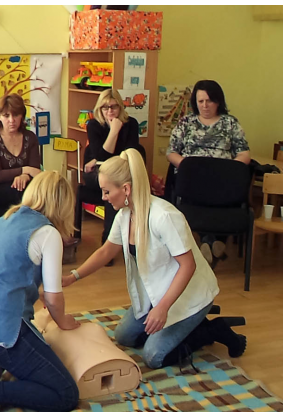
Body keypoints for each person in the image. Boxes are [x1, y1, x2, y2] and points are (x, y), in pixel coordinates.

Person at [62, 149, 247, 370]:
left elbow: (188, 266)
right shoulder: (124, 215)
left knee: (153, 356)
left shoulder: (164, 216)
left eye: (106, 191)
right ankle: (188, 327)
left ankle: (213, 329)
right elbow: (106, 251)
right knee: (124, 337)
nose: (103, 198)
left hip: (188, 295)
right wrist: (73, 277)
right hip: (156, 294)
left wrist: (162, 309)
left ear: (126, 189)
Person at [0, 171, 80, 412]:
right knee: (65, 394)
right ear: (63, 204)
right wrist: (63, 322)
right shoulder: (48, 233)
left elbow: (7, 276)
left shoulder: (1, 222)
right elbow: (53, 297)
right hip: (1, 333)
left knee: (38, 355)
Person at [167, 80, 251, 266]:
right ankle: (213, 242)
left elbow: (244, 153)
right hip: (194, 180)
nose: (205, 105)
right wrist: (188, 167)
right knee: (196, 199)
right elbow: (171, 152)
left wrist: (229, 170)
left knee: (227, 200)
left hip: (223, 181)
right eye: (201, 101)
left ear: (218, 101)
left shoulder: (230, 123)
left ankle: (210, 242)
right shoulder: (186, 123)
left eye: (209, 101)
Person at [74, 89, 146, 261]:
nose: (110, 111)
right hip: (95, 175)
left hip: (118, 173)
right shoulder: (93, 125)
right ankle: (109, 245)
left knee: (115, 186)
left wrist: (101, 160)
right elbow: (102, 155)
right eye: (105, 108)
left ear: (120, 107)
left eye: (114, 107)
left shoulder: (132, 124)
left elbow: (130, 154)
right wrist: (114, 131)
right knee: (112, 184)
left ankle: (109, 242)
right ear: (99, 109)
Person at [0, 93, 41, 223]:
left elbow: (36, 170)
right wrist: (24, 170)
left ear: (22, 115)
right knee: (23, 195)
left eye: (16, 115)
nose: (11, 120)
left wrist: (25, 176)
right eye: (6, 115)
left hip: (19, 183)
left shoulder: (30, 137)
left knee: (44, 191)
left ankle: (52, 232)